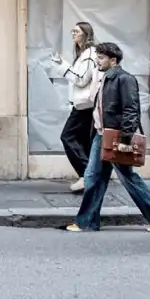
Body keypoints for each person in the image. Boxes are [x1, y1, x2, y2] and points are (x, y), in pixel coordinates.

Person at [64, 42, 150, 233]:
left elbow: (131, 110)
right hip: (101, 135)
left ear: (112, 60)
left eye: (101, 58)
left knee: (127, 177)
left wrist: (124, 140)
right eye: (97, 57)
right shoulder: (105, 78)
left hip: (115, 136)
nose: (97, 61)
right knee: (93, 177)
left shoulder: (124, 79)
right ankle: (87, 221)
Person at [51, 22, 98, 193]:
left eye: (76, 31)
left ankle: (87, 174)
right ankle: (88, 176)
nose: (73, 34)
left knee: (68, 137)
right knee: (84, 141)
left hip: (84, 106)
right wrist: (62, 63)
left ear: (86, 34)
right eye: (72, 31)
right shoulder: (84, 54)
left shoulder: (89, 55)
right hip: (84, 104)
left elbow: (81, 79)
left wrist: (63, 66)